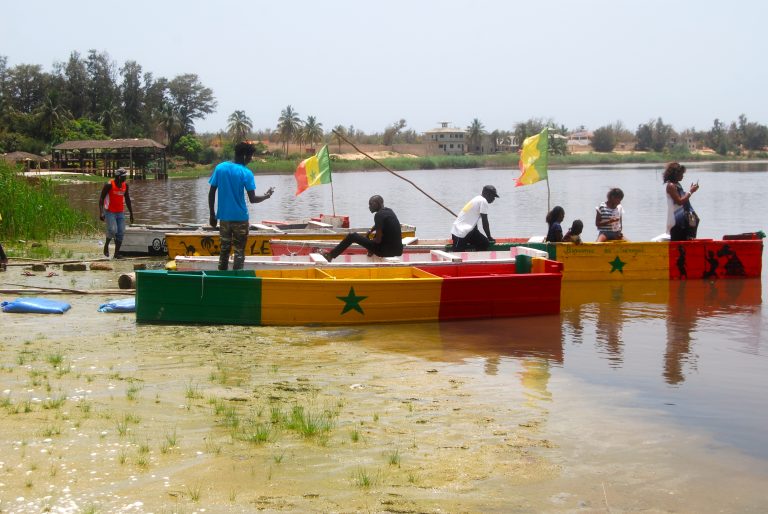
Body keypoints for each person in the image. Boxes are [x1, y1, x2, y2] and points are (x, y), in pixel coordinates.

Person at [209, 141, 275, 270]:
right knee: (239, 253)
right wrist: (267, 196)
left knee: (224, 251)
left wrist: (212, 214)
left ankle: (222, 279)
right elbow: (253, 199)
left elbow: (211, 192)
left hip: (224, 219)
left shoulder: (220, 168)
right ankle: (236, 280)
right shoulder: (246, 172)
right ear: (244, 156)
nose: (250, 159)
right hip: (240, 219)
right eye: (250, 157)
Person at [321, 195, 402, 261]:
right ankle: (371, 250)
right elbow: (379, 226)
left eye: (371, 204)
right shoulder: (389, 211)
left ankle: (331, 255)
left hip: (386, 252)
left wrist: (368, 241)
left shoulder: (378, 215)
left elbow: (378, 240)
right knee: (375, 236)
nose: (369, 207)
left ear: (377, 204)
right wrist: (371, 230)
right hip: (398, 250)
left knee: (352, 236)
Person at [98, 168, 134, 259]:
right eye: (123, 177)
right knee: (113, 230)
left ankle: (116, 254)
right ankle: (106, 245)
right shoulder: (109, 185)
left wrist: (131, 213)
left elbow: (127, 199)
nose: (125, 178)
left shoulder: (125, 185)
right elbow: (101, 198)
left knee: (121, 231)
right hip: (110, 211)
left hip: (120, 212)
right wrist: (101, 212)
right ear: (118, 177)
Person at [451, 185, 498, 251]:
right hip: (460, 232)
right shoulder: (483, 201)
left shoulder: (477, 198)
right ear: (487, 194)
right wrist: (489, 237)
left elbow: (473, 220)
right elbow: (485, 222)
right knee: (457, 255)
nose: (493, 199)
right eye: (493, 196)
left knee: (484, 243)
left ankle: (478, 258)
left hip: (469, 231)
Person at [664, 162, 700, 241]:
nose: (683, 176)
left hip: (683, 221)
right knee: (678, 246)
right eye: (681, 173)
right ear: (675, 174)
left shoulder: (678, 185)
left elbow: (683, 200)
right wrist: (691, 191)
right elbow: (679, 201)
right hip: (676, 222)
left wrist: (690, 191)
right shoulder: (671, 186)